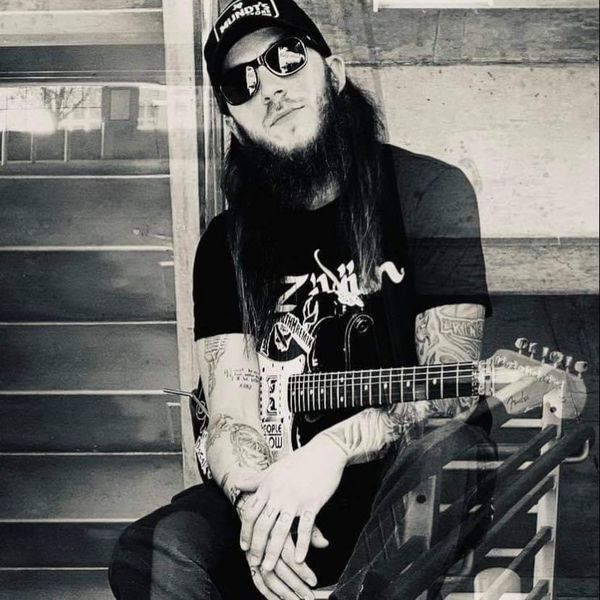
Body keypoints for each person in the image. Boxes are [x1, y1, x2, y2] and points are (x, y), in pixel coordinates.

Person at [109, 1, 496, 598]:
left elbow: (450, 391)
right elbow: (231, 415)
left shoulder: (427, 192)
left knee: (452, 453)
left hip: (400, 489)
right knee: (153, 550)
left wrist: (330, 450)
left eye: (286, 57)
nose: (268, 88)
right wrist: (255, 510)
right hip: (280, 493)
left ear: (333, 74)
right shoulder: (226, 244)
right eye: (240, 84)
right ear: (233, 123)